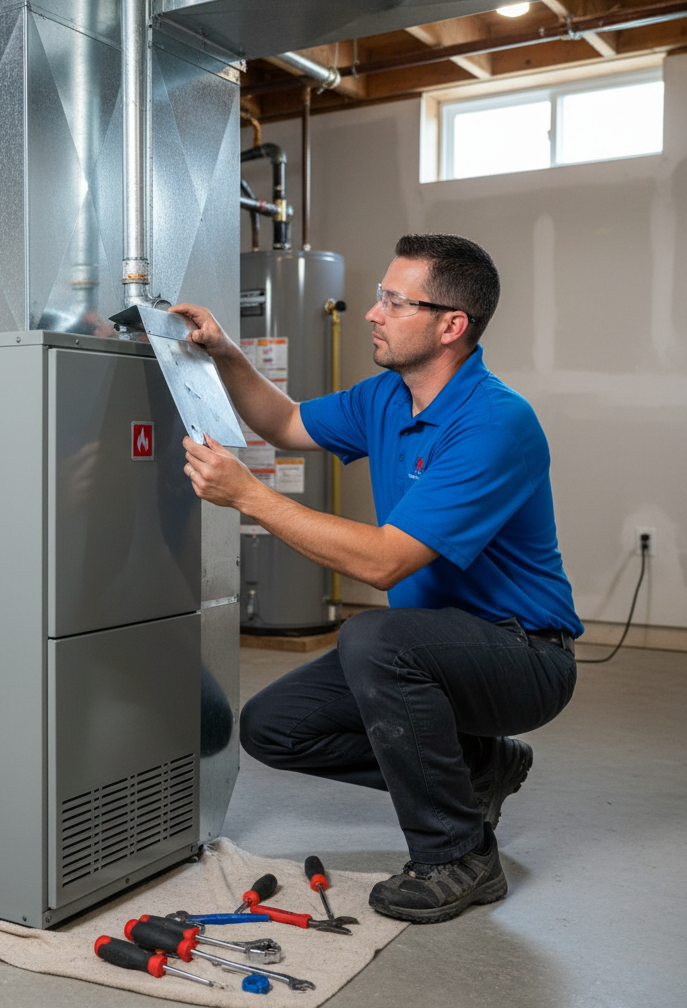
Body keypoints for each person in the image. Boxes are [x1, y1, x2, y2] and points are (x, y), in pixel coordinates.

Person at [170, 233, 581, 924]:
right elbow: (286, 421)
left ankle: (459, 856)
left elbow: (384, 562)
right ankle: (481, 767)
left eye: (395, 300)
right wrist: (225, 352)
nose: (372, 312)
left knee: (373, 637)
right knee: (275, 727)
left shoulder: (493, 422)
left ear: (451, 326)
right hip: (432, 645)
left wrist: (249, 496)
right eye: (380, 296)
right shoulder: (388, 397)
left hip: (525, 655)